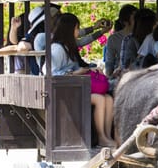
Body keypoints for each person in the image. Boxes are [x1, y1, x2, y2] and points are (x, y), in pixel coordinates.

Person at [49, 13, 118, 148]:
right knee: (100, 99)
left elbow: (83, 43)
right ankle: (101, 137)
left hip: (75, 88)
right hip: (63, 92)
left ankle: (107, 137)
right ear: (69, 29)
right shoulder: (57, 49)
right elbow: (51, 73)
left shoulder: (68, 46)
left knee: (108, 99)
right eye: (76, 28)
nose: (78, 32)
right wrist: (76, 73)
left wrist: (90, 69)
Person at [116, 8, 157, 73]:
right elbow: (126, 67)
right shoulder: (130, 40)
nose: (157, 25)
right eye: (154, 23)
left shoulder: (154, 38)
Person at [104, 4, 138, 77]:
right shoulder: (113, 39)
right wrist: (109, 77)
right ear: (125, 22)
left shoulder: (140, 36)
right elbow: (109, 63)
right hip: (120, 76)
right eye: (135, 18)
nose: (138, 21)